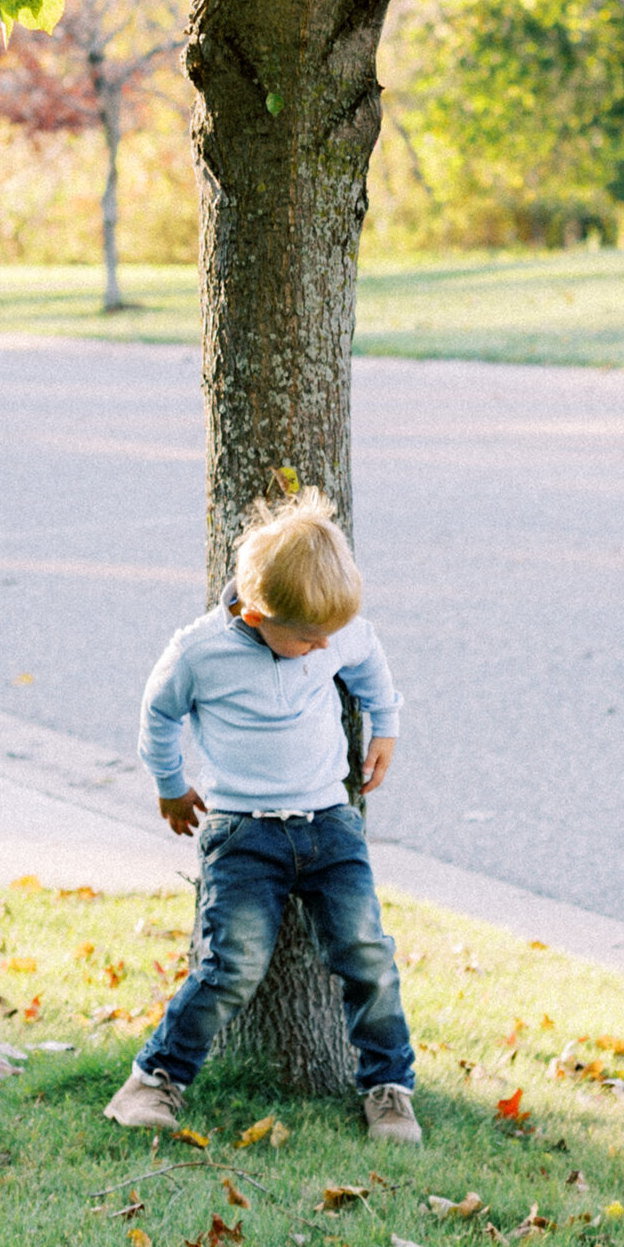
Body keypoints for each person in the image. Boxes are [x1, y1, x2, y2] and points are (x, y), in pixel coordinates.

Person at [105, 486, 421, 1147]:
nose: (320, 648)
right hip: (244, 831)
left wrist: (385, 723)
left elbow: (366, 659)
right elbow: (158, 715)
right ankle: (153, 1080)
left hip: (329, 823)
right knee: (231, 963)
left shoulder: (327, 629)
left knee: (367, 953)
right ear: (255, 611)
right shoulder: (199, 651)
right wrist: (171, 785)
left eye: (326, 636)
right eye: (307, 639)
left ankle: (388, 1088)